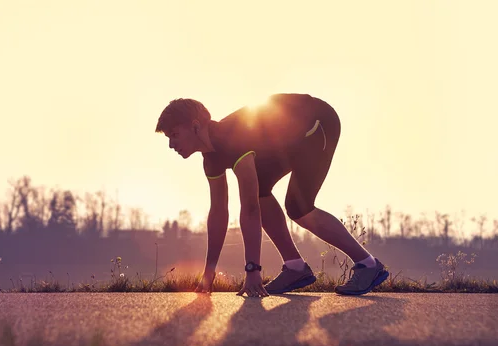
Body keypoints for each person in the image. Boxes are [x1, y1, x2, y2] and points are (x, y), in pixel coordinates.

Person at [155, 93, 389, 297]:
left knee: (299, 208)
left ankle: (368, 265)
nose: (170, 144)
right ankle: (296, 268)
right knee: (261, 192)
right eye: (168, 138)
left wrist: (252, 269)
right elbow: (218, 212)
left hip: (317, 123)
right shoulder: (211, 159)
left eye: (174, 134)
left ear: (196, 126)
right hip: (285, 140)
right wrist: (209, 271)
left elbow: (249, 209)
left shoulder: (232, 139)